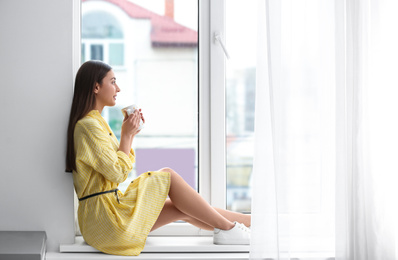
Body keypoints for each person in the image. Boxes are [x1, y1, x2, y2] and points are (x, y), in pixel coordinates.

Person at [65, 60, 251, 256]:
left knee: (182, 207)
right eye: (112, 82)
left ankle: (247, 224)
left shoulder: (96, 123)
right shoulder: (88, 126)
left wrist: (130, 133)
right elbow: (118, 173)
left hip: (103, 218)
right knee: (167, 175)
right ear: (96, 87)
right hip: (106, 220)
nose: (117, 88)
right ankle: (230, 230)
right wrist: (126, 135)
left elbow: (117, 166)